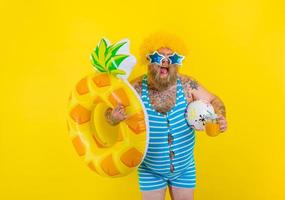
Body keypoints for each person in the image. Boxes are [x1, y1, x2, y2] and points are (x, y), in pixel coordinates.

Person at [105, 33, 227, 200]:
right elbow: (108, 114)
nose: (165, 62)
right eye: (158, 57)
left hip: (184, 168)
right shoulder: (135, 88)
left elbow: (213, 100)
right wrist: (114, 117)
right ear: (148, 60)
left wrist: (220, 116)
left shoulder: (188, 85)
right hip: (150, 170)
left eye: (172, 58)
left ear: (178, 63)